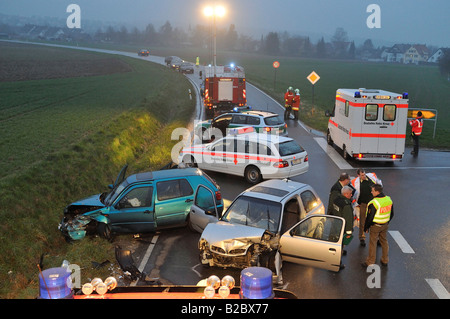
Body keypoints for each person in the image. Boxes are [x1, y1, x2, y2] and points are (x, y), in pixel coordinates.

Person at [362, 184, 394, 267]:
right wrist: (386, 221)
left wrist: (366, 227)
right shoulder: (389, 199)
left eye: (372, 190)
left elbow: (370, 217)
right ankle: (385, 260)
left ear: (377, 192)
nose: (371, 192)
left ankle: (370, 261)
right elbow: (392, 213)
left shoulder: (374, 203)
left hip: (375, 226)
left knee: (373, 243)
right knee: (384, 241)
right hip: (385, 224)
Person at [351, 169, 382, 247]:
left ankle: (377, 239)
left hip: (373, 204)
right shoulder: (356, 183)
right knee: (362, 222)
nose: (364, 176)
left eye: (364, 174)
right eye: (362, 175)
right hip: (363, 205)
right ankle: (362, 238)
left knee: (375, 221)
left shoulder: (371, 178)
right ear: (358, 175)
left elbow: (379, 185)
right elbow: (353, 194)